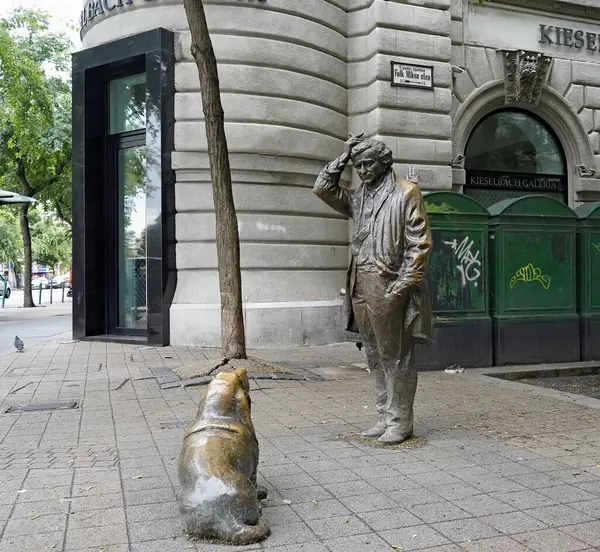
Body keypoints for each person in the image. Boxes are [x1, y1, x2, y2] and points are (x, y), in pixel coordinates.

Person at [313, 135, 433, 444]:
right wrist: (343, 157)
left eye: (368, 164)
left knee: (397, 356)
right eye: (359, 165)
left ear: (384, 164)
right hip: (360, 282)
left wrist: (401, 285)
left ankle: (401, 421)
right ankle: (384, 416)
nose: (363, 170)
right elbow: (322, 188)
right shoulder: (359, 196)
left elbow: (419, 245)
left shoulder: (406, 193)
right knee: (374, 354)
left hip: (388, 283)